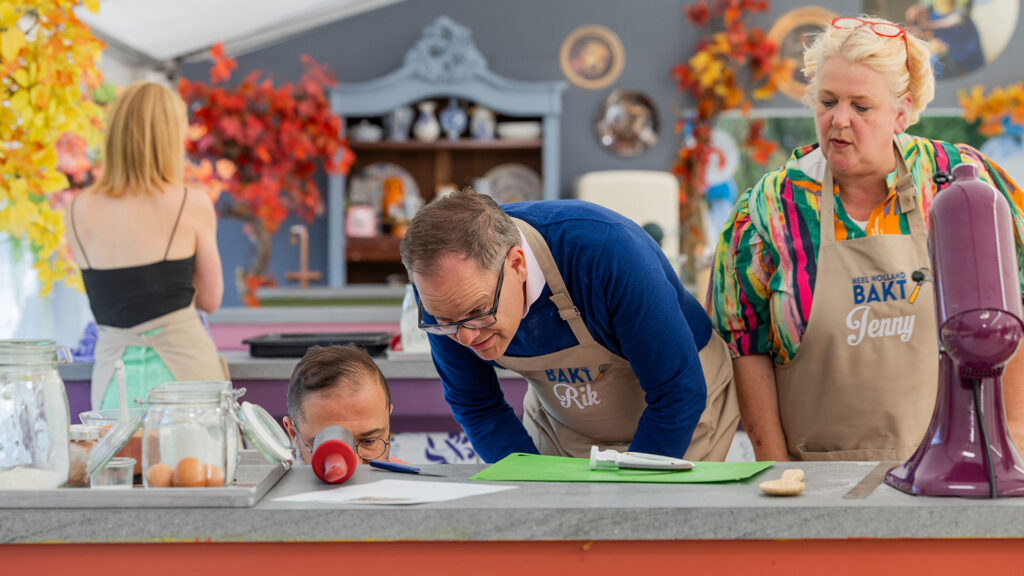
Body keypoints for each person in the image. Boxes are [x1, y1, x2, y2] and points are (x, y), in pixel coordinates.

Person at [708, 15, 1024, 462]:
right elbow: (744, 343)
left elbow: (1018, 296)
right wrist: (775, 468)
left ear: (901, 112)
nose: (839, 120)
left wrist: (1013, 432)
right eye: (828, 100)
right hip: (814, 479)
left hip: (956, 470)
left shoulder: (958, 184)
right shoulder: (771, 209)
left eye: (861, 106)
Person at [400, 189, 739, 463]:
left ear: (517, 264)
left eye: (479, 312)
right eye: (446, 323)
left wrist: (636, 500)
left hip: (680, 409)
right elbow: (477, 405)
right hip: (564, 427)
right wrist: (530, 483)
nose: (466, 336)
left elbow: (678, 392)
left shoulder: (607, 252)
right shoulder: (442, 288)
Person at [66, 81, 227, 410]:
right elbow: (211, 300)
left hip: (113, 379)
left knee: (120, 462)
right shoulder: (190, 203)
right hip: (187, 378)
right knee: (195, 464)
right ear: (169, 140)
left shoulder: (77, 208)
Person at [283, 345, 400, 465]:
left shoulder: (412, 482)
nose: (355, 466)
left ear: (387, 420)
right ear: (293, 433)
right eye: (327, 443)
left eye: (368, 441)